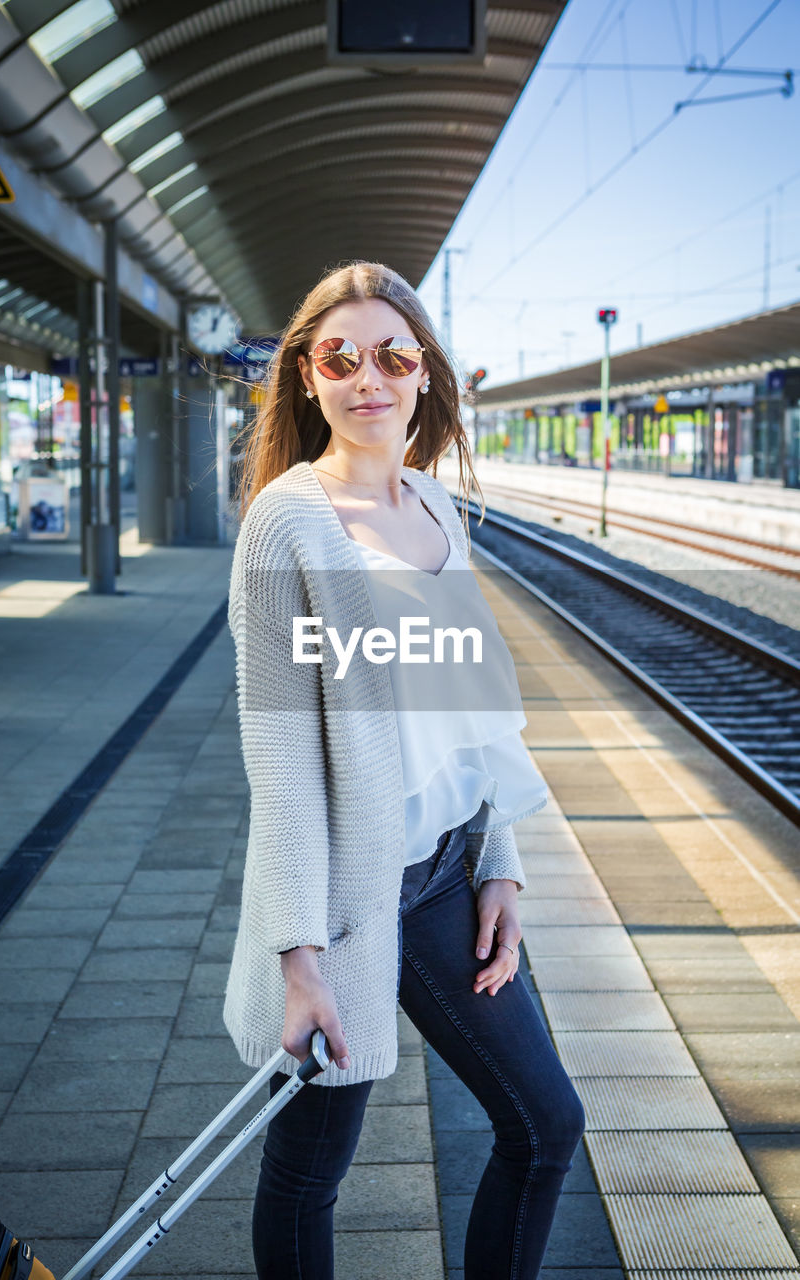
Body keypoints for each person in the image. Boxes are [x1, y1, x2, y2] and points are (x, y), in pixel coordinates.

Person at [225, 261, 586, 1280]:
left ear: (425, 372)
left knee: (545, 1120)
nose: (366, 376)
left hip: (444, 873)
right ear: (305, 376)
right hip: (343, 891)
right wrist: (296, 952)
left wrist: (501, 863)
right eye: (338, 356)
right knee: (309, 1168)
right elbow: (282, 752)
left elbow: (469, 701)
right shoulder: (284, 523)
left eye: (391, 354)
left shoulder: (432, 501)